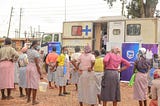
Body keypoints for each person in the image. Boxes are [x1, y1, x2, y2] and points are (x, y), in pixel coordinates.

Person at [26, 40, 43, 105]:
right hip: (34, 68)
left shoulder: (28, 51)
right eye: (38, 44)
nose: (38, 45)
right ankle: (33, 100)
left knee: (29, 83)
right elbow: (37, 64)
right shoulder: (35, 52)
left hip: (29, 66)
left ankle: (28, 99)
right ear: (35, 44)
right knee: (34, 84)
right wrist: (40, 73)